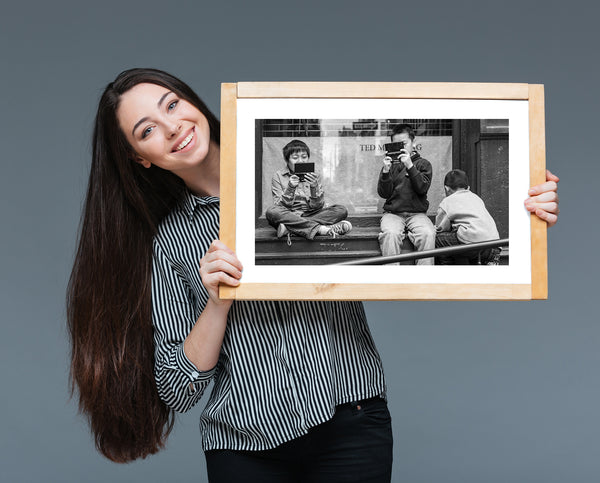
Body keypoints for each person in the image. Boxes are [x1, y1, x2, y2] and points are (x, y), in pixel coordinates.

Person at [66, 68, 560, 482]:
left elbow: (465, 218)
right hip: (241, 448)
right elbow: (177, 389)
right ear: (139, 156)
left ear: (194, 104)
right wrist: (217, 301)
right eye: (146, 129)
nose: (171, 127)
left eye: (172, 105)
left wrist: (525, 207)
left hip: (351, 423)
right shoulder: (172, 240)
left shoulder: (277, 192)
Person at [265, 139, 352, 241]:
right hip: (289, 214)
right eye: (295, 158)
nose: (300, 161)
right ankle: (321, 229)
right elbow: (279, 206)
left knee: (341, 210)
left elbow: (317, 206)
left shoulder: (314, 175)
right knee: (272, 212)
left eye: (304, 157)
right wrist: (290, 188)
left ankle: (290, 229)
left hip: (311, 214)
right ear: (287, 160)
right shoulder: (278, 176)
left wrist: (314, 187)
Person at [377, 123, 436, 265]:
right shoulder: (390, 165)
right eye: (396, 145)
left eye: (404, 143)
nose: (401, 148)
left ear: (413, 143)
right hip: (393, 213)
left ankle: (423, 283)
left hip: (417, 213)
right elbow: (384, 194)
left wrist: (410, 165)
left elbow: (422, 188)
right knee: (390, 234)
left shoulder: (423, 164)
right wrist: (385, 171)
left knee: (428, 233)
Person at [434, 169, 501, 265]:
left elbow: (441, 228)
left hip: (473, 243)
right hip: (494, 245)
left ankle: (449, 271)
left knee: (437, 239)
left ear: (446, 188)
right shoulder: (476, 198)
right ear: (468, 188)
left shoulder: (447, 201)